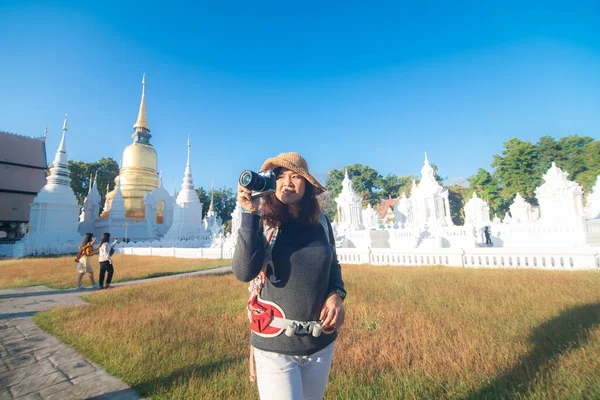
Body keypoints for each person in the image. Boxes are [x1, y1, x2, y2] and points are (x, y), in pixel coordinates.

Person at [233, 152, 346, 400]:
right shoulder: (264, 223)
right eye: (281, 176)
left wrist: (337, 294)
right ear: (272, 184)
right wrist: (250, 214)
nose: (288, 182)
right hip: (276, 345)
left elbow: (333, 265)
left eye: (296, 176)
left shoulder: (323, 224)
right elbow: (243, 272)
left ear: (308, 185)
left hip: (320, 344)